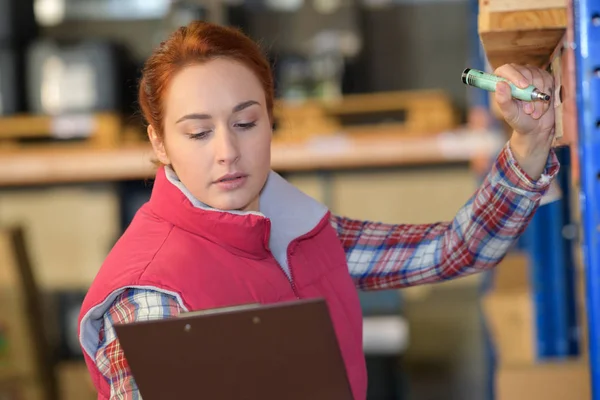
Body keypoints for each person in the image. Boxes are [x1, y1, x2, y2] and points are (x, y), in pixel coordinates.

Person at [78, 21, 559, 400]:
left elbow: (450, 251)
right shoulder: (151, 296)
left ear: (270, 120)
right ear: (159, 143)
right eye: (198, 133)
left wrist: (529, 141)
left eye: (246, 122)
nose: (227, 151)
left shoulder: (294, 229)